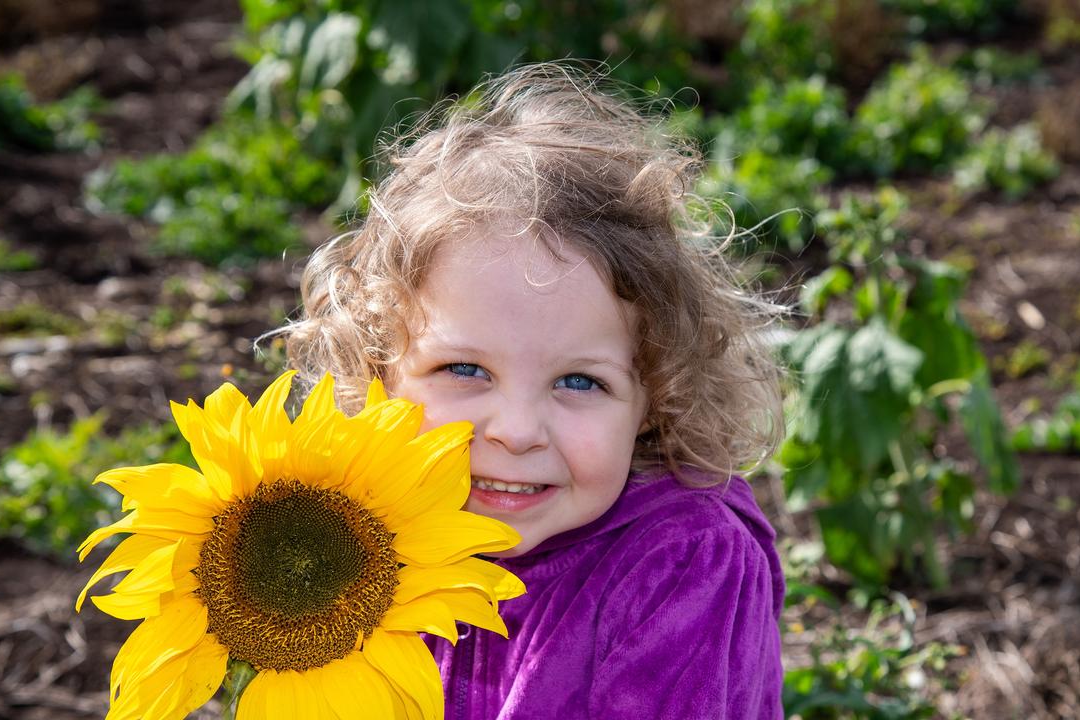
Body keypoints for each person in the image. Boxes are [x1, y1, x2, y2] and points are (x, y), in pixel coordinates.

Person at [282, 63, 786, 719]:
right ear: (380, 369)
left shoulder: (683, 563)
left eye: (579, 381)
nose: (516, 430)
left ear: (654, 396)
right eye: (465, 371)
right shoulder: (370, 544)